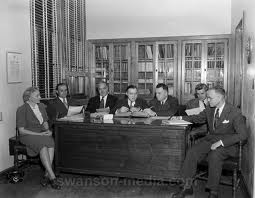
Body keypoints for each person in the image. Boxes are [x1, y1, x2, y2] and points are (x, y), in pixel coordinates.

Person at [172, 86, 247, 198]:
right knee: (192, 152)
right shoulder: (209, 109)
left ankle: (213, 192)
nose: (207, 100)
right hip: (210, 140)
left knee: (215, 155)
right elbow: (197, 118)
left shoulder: (234, 112)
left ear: (220, 97)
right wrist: (179, 118)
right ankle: (187, 187)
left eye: (210, 98)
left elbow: (243, 135)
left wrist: (221, 142)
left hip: (227, 145)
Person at [16, 87, 61, 189]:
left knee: (50, 141)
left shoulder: (41, 106)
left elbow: (44, 122)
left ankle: (46, 175)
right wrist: (40, 134)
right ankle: (52, 177)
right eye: (37, 96)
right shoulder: (21, 109)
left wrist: (47, 130)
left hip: (40, 133)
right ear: (29, 98)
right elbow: (21, 130)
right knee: (43, 145)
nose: (40, 97)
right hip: (28, 135)